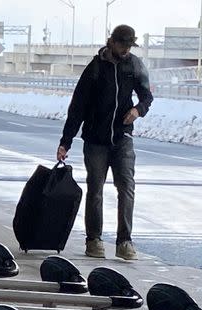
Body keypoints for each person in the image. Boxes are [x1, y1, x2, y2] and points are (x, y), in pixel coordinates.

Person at [56, 24, 153, 260]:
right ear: (112, 42)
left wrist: (138, 110)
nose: (126, 49)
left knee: (126, 187)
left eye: (130, 45)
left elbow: (147, 96)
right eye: (123, 44)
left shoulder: (134, 65)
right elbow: (77, 107)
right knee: (96, 189)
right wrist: (65, 142)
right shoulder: (95, 68)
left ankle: (125, 242)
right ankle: (94, 240)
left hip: (122, 138)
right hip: (96, 140)